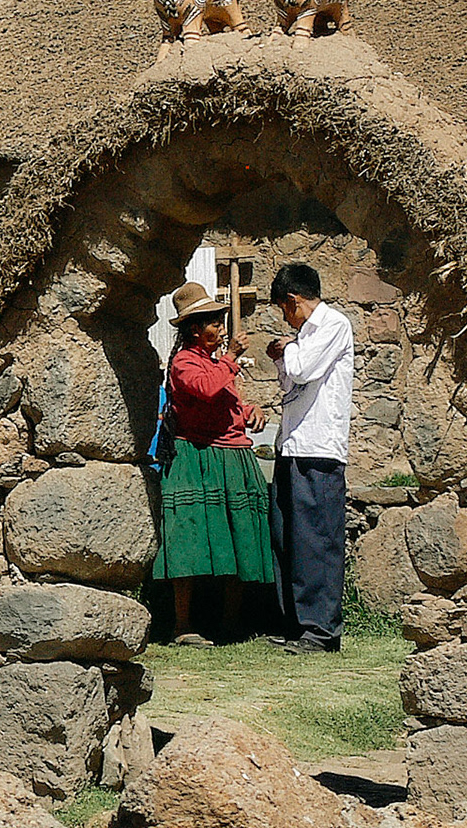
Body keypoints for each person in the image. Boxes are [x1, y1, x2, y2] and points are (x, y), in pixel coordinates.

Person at [151, 280, 276, 645]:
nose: (221, 329)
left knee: (238, 535)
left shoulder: (211, 362)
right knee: (189, 539)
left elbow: (223, 398)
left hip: (231, 455)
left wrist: (250, 411)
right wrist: (231, 358)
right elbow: (205, 389)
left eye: (220, 322)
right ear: (194, 328)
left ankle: (231, 622)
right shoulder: (184, 363)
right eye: (213, 323)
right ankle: (182, 625)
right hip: (198, 457)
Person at [265, 262, 355, 653]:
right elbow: (290, 384)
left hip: (319, 448)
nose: (288, 321)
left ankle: (321, 629)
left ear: (293, 301)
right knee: (288, 538)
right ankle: (294, 623)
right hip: (293, 445)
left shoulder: (334, 325)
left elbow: (302, 370)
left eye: (286, 311)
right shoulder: (303, 336)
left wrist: (289, 349)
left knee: (317, 540)